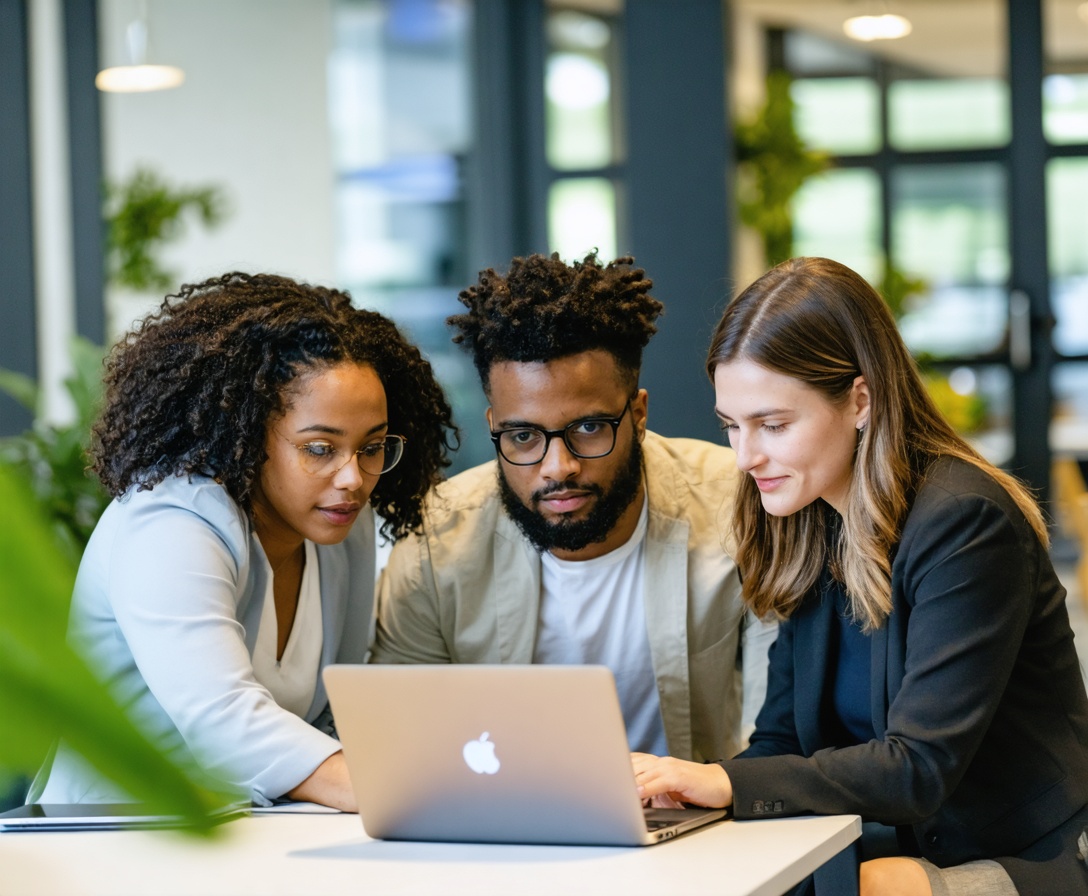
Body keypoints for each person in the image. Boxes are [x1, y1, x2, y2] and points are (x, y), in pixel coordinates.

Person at [633, 256, 1088, 895]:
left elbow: (918, 768)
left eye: (773, 424)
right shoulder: (807, 520)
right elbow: (782, 741)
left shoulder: (966, 523)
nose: (745, 456)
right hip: (893, 848)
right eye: (731, 426)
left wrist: (727, 783)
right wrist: (687, 803)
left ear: (860, 399)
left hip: (1029, 854)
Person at [30, 272, 457, 811]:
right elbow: (221, 720)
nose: (353, 477)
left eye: (371, 447)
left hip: (257, 833)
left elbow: (326, 716)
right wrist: (412, 790)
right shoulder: (174, 518)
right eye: (320, 448)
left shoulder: (338, 522)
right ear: (249, 433)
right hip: (113, 834)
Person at [371, 252, 773, 763]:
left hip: (703, 827)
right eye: (522, 436)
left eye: (588, 427)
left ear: (640, 413)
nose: (557, 466)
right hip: (501, 835)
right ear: (495, 424)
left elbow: (777, 739)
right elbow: (399, 738)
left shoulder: (739, 506)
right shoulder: (434, 540)